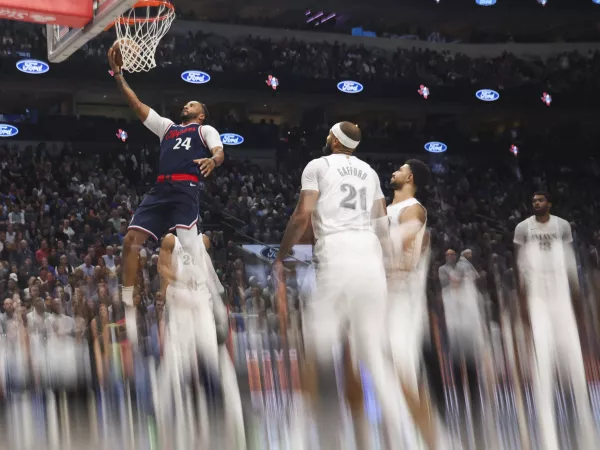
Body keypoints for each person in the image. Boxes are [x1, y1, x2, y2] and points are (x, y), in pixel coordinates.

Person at [273, 121, 409, 448]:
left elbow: (302, 215)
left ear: (333, 138)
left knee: (316, 351)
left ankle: (295, 438)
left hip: (337, 253)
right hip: (371, 258)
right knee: (373, 357)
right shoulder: (371, 172)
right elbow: (380, 224)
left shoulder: (317, 166)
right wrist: (389, 268)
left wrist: (281, 254)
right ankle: (404, 437)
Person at [107, 45, 224, 343]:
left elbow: (219, 151)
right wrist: (119, 75)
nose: (186, 106)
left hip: (185, 189)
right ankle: (128, 303)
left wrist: (214, 160)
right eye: (186, 104)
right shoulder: (168, 128)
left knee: (193, 251)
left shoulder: (204, 130)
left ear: (202, 113)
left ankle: (215, 304)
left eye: (192, 105)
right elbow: (136, 105)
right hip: (161, 188)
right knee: (131, 240)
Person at [513, 191, 596, 450]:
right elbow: (520, 272)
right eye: (534, 201)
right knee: (543, 356)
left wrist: (578, 309)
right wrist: (524, 308)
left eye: (541, 200)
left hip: (560, 299)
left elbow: (572, 272)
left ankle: (584, 420)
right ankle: (546, 424)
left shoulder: (562, 227)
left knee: (572, 358)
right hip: (538, 300)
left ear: (549, 203)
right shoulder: (523, 229)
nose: (536, 203)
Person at [157, 231, 245, 449]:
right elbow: (162, 269)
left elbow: (206, 264)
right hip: (180, 299)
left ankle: (222, 407)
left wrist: (219, 311)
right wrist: (173, 285)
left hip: (203, 298)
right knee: (180, 363)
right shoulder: (170, 240)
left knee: (212, 356)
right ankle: (174, 409)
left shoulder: (201, 239)